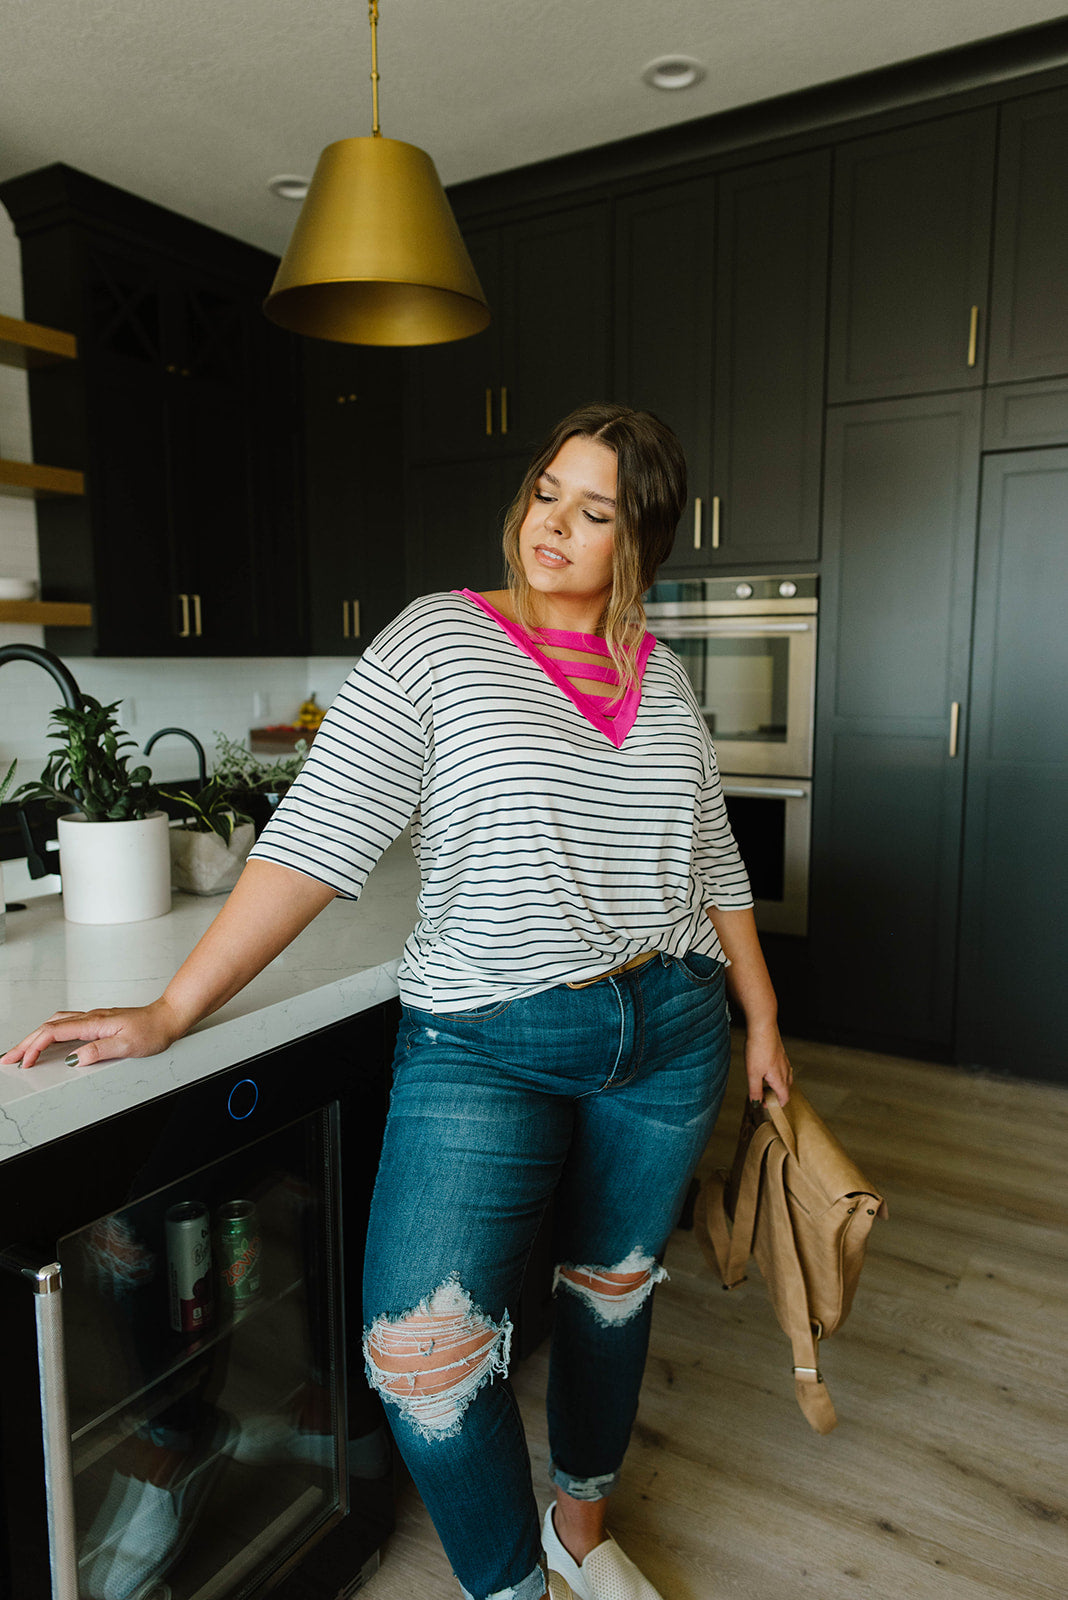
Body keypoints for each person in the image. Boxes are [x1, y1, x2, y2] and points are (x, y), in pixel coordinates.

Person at [4, 402, 792, 1600]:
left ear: (642, 542)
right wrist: (168, 1012)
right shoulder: (439, 641)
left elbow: (713, 858)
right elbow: (317, 841)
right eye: (546, 493)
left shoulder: (665, 677)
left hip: (674, 1026)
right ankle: (511, 1583)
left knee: (612, 1292)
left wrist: (765, 1018)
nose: (555, 528)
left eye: (596, 513)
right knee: (421, 1355)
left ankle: (582, 1529)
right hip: (488, 1039)